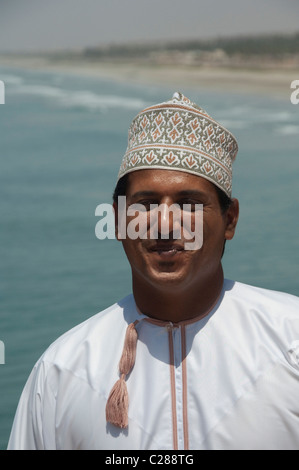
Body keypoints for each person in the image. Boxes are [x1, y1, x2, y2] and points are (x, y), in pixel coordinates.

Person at [8, 92, 299, 450]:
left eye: (189, 204)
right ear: (118, 221)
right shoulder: (63, 370)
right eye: (145, 204)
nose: (164, 223)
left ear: (230, 219)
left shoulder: (290, 343)